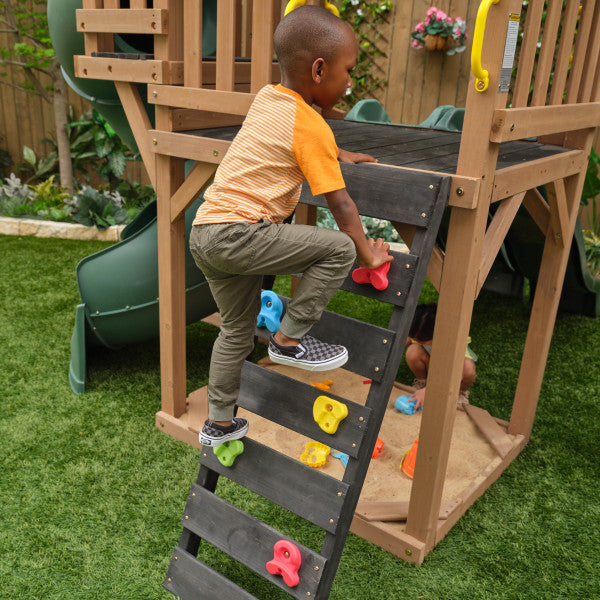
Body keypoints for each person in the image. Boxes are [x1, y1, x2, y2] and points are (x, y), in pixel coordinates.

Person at [189, 6, 393, 447]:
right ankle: (288, 340)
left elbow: (291, 132)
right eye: (348, 71)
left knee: (234, 330)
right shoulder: (311, 124)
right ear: (319, 70)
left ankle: (219, 423)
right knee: (338, 249)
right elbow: (340, 205)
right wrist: (369, 253)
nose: (351, 82)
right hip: (239, 233)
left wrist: (336, 152)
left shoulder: (268, 98)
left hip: (205, 232)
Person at [405, 303, 477, 410]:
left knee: (467, 368)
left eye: (422, 341)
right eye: (415, 339)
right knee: (412, 351)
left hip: (452, 367)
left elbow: (455, 371)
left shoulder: (453, 340)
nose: (417, 342)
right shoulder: (419, 328)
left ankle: (460, 392)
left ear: (439, 333)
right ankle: (422, 381)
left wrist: (428, 391)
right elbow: (402, 342)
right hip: (431, 360)